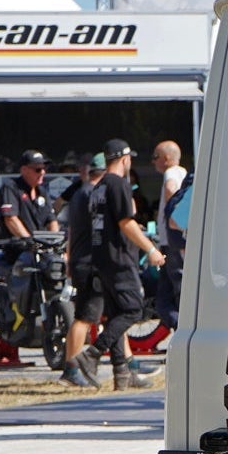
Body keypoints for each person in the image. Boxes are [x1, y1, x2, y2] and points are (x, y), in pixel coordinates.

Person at [68, 141, 163, 390]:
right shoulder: (118, 183)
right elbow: (126, 222)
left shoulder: (97, 188)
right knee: (133, 311)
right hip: (119, 258)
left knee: (116, 314)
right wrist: (151, 249)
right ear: (124, 160)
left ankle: (122, 373)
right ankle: (91, 354)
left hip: (100, 259)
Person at [59, 152, 104, 387]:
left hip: (78, 259)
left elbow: (71, 232)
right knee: (84, 318)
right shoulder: (93, 195)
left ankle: (127, 363)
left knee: (88, 315)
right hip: (88, 261)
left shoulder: (79, 193)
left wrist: (69, 258)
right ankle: (72, 368)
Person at [151, 140, 186, 334]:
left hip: (172, 243)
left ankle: (182, 328)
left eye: (155, 157)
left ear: (166, 158)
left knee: (174, 291)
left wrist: (174, 218)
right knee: (164, 296)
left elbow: (171, 189)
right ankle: (179, 327)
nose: (153, 162)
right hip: (174, 242)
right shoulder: (185, 173)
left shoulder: (171, 173)